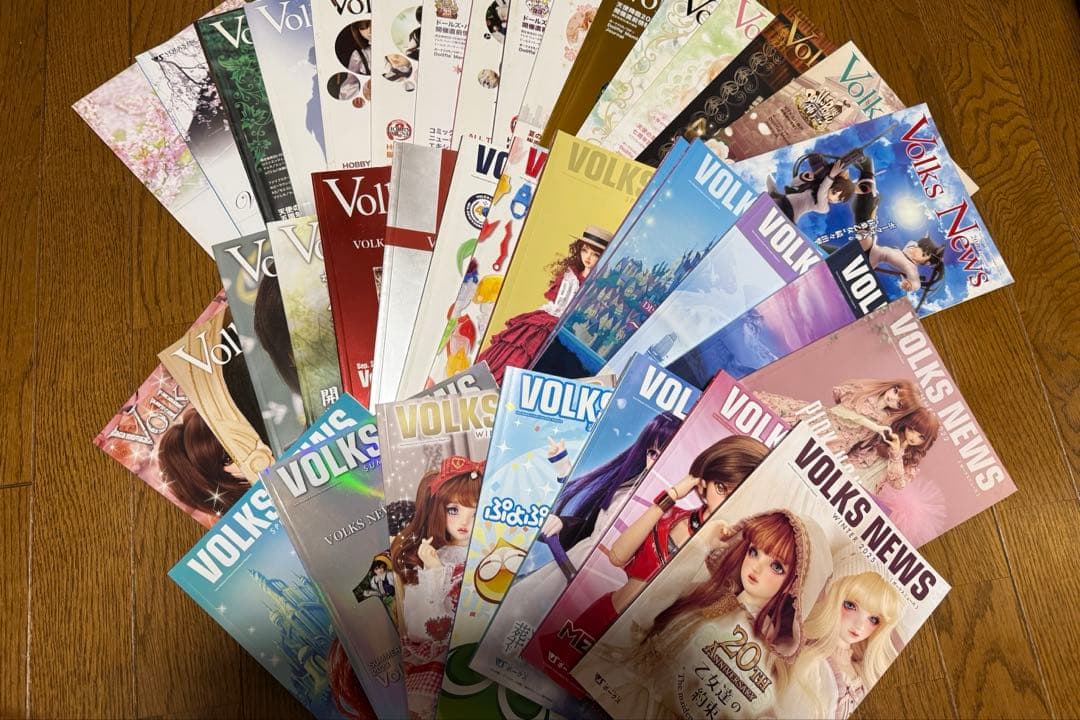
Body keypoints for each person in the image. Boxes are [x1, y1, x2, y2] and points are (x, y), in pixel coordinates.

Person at [537, 436, 769, 666]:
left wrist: (708, 545)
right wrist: (671, 496)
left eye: (738, 495)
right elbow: (618, 556)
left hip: (637, 643)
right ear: (703, 482)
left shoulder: (731, 556)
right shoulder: (670, 515)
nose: (726, 502)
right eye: (721, 488)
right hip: (605, 613)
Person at [583, 511, 831, 718]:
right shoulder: (708, 594)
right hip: (618, 694)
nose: (755, 567)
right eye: (754, 551)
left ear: (793, 585)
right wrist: (701, 544)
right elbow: (646, 610)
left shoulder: (765, 648)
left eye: (776, 566)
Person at [389, 457, 483, 719]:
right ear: (438, 509)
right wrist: (433, 570)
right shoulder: (435, 558)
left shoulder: (490, 552)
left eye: (475, 512)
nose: (464, 521)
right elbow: (422, 628)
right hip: (450, 653)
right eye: (454, 510)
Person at [478, 225, 610, 382]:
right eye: (585, 250)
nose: (588, 257)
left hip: (566, 329)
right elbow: (557, 303)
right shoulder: (570, 274)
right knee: (520, 349)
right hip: (547, 319)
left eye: (595, 254)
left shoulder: (598, 286)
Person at [785, 555, 903, 719]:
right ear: (833, 600)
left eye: (873, 619)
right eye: (850, 605)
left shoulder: (861, 672)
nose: (859, 625)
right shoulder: (812, 660)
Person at [755, 378, 921, 460]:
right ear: (892, 386)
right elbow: (845, 413)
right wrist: (875, 427)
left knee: (795, 457)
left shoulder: (885, 419)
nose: (893, 399)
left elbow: (864, 440)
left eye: (899, 404)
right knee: (782, 429)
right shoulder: (864, 394)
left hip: (838, 443)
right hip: (825, 422)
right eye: (895, 392)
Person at [846, 407, 939, 493]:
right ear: (906, 424)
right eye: (911, 429)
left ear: (927, 440)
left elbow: (898, 484)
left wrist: (896, 454)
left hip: (868, 487)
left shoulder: (912, 460)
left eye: (921, 437)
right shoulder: (888, 434)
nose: (913, 437)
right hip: (853, 469)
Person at [767, 154, 856, 222]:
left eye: (839, 200)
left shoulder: (824, 208)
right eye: (834, 192)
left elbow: (822, 193)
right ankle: (772, 193)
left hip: (790, 214)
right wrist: (805, 177)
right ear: (831, 186)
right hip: (783, 200)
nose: (834, 198)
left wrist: (831, 176)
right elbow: (794, 184)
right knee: (770, 201)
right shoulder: (814, 187)